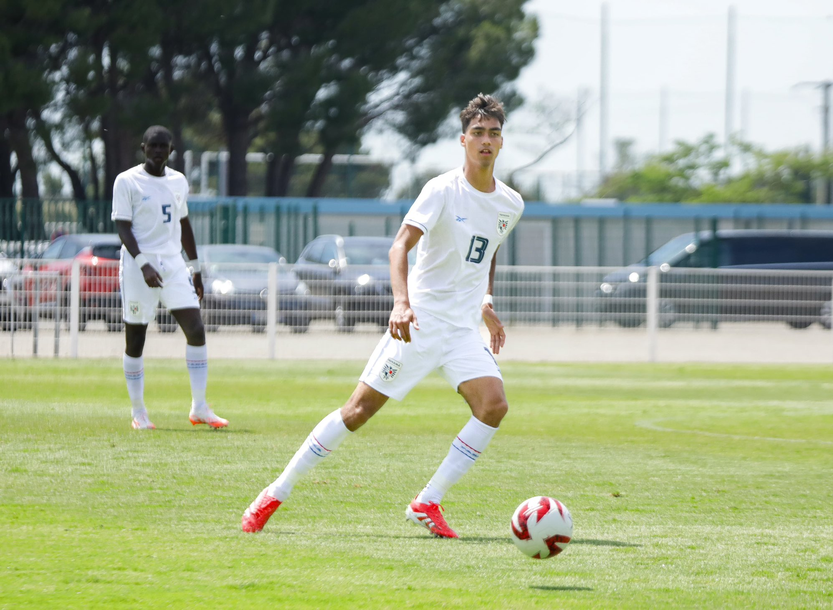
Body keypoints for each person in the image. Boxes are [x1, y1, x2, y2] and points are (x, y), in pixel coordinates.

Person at [242, 94, 524, 538]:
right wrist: (401, 303)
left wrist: (485, 300)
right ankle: (274, 492)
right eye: (477, 133)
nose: (485, 141)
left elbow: (489, 250)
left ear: (502, 141)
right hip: (420, 324)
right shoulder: (441, 190)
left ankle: (428, 501)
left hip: (462, 331)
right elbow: (399, 247)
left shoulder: (511, 203)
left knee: (494, 406)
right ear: (463, 140)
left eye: (493, 133)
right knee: (357, 412)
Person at [111, 125, 228, 430]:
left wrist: (196, 268)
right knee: (136, 338)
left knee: (196, 330)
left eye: (163, 146)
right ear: (143, 148)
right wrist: (143, 264)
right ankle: (138, 412)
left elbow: (183, 223)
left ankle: (199, 407)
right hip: (139, 265)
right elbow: (123, 227)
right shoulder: (127, 181)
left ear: (171, 151)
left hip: (173, 264)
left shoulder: (178, 181)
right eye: (153, 145)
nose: (158, 151)